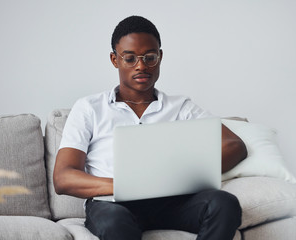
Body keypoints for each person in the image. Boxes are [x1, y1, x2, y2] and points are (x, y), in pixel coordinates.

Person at [53, 15, 247, 240]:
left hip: (172, 202)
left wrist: (180, 175)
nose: (141, 66)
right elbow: (63, 177)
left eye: (150, 57)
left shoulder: (181, 107)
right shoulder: (89, 108)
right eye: (130, 58)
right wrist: (130, 185)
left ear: (160, 57)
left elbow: (235, 145)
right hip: (113, 204)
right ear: (115, 60)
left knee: (224, 204)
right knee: (114, 224)